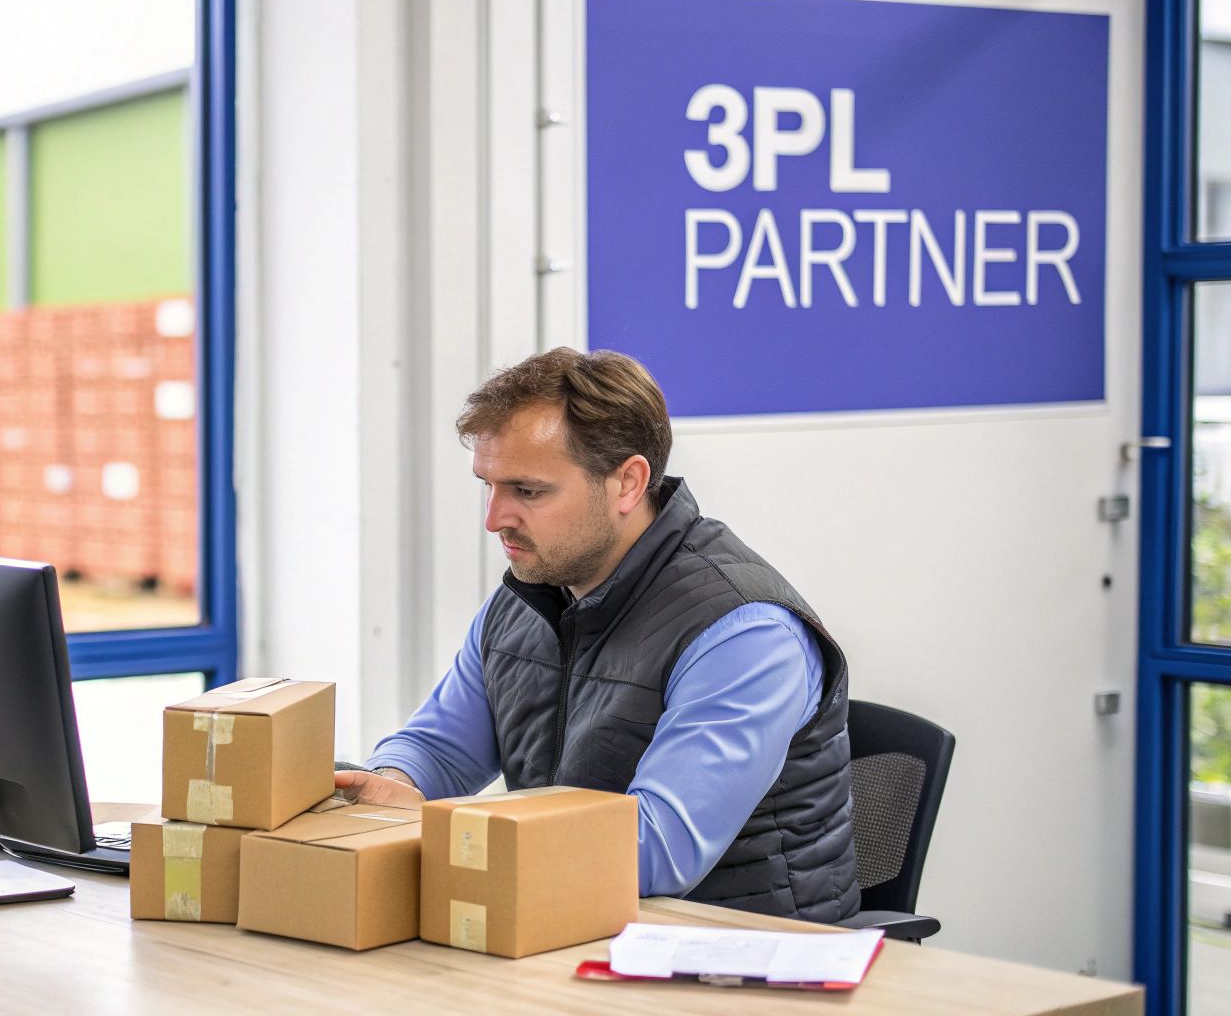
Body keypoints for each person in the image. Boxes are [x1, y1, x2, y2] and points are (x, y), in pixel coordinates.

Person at [337, 347, 858, 921]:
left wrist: (458, 832)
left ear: (628, 483)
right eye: (487, 484)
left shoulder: (744, 630)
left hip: (744, 962)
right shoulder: (526, 600)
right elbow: (438, 749)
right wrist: (396, 784)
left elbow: (657, 853)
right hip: (581, 930)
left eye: (528, 491)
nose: (494, 517)